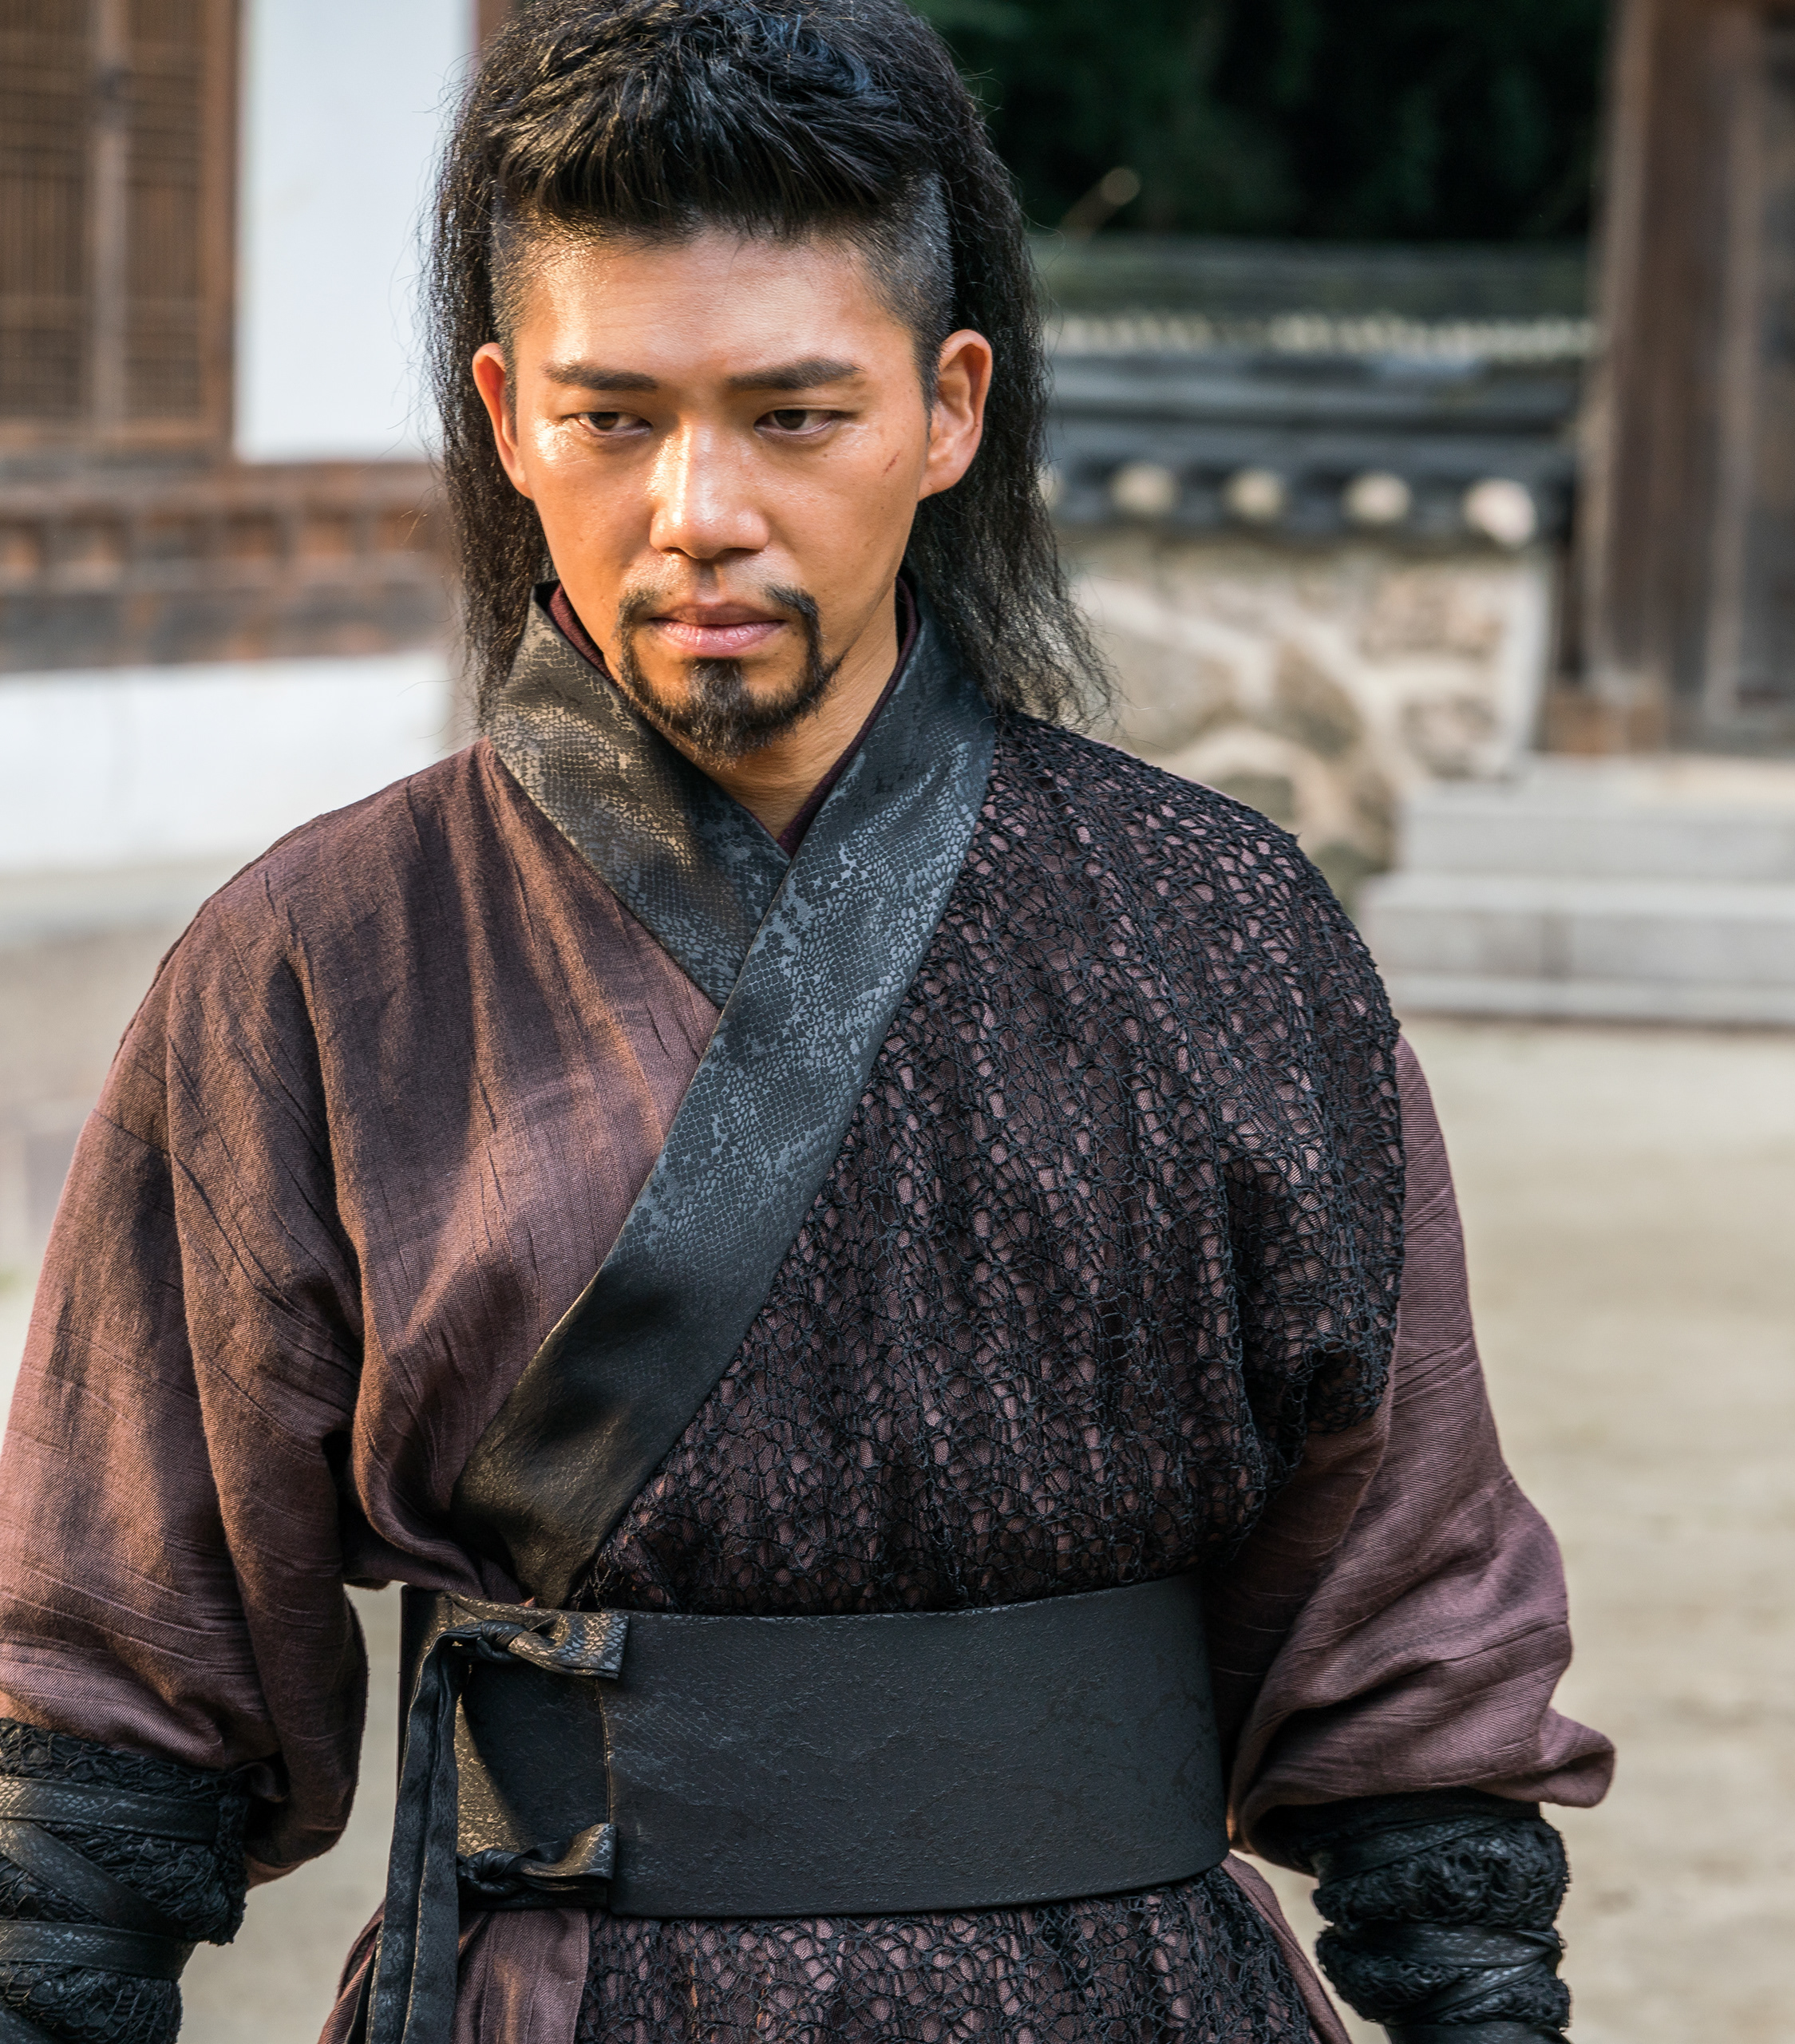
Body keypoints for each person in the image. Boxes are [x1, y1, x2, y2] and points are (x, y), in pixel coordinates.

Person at [0, 6, 1610, 2042]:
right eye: (614, 419)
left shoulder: (1225, 934)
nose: (699, 509)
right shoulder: (322, 964)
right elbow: (109, 1718)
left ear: (946, 409)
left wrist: (1479, 2000)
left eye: (792, 416)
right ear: (507, 419)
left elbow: (1409, 1619)